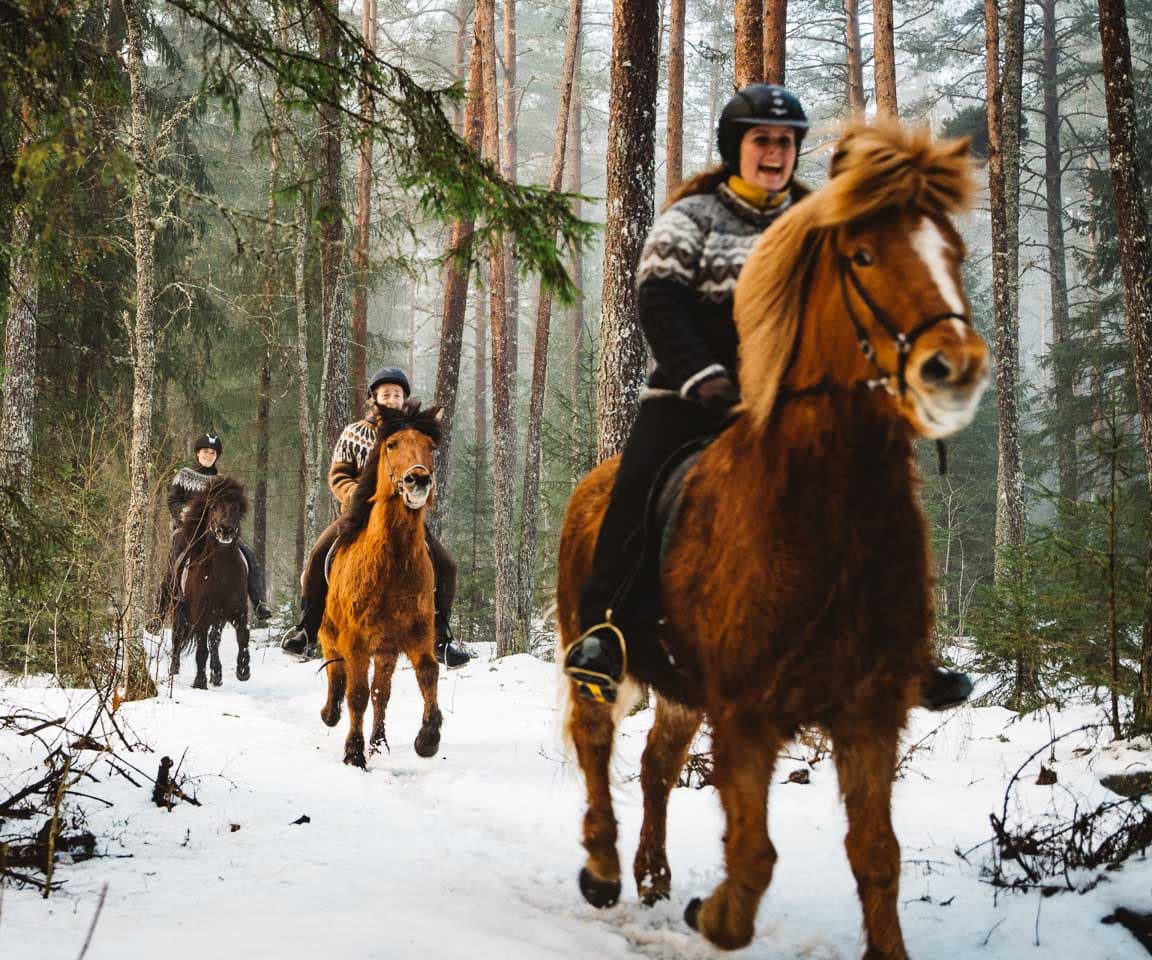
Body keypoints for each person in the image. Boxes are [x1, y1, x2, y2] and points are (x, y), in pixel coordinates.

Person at [563, 84, 973, 711]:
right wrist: (701, 373)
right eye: (762, 140)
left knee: (881, 485)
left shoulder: (813, 218)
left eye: (786, 141)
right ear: (736, 148)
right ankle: (606, 631)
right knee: (636, 488)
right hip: (690, 391)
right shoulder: (692, 217)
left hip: (789, 394)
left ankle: (903, 647)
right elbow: (659, 301)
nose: (775, 152)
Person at [282, 367, 471, 668]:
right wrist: (357, 495)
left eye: (397, 394)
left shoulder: (413, 436)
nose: (391, 398)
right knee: (319, 555)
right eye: (385, 394)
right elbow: (338, 474)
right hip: (359, 516)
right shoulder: (354, 433)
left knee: (446, 564)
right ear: (374, 399)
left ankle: (443, 637)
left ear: (404, 398)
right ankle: (305, 629)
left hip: (406, 519)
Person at [159, 433, 272, 625]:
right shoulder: (184, 475)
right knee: (175, 557)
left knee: (248, 555)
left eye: (212, 453)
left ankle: (259, 603)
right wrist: (186, 514)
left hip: (216, 531)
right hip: (188, 530)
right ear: (197, 453)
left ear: (216, 456)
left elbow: (229, 505)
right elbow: (173, 500)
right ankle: (162, 609)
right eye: (205, 451)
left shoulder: (222, 480)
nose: (208, 455)